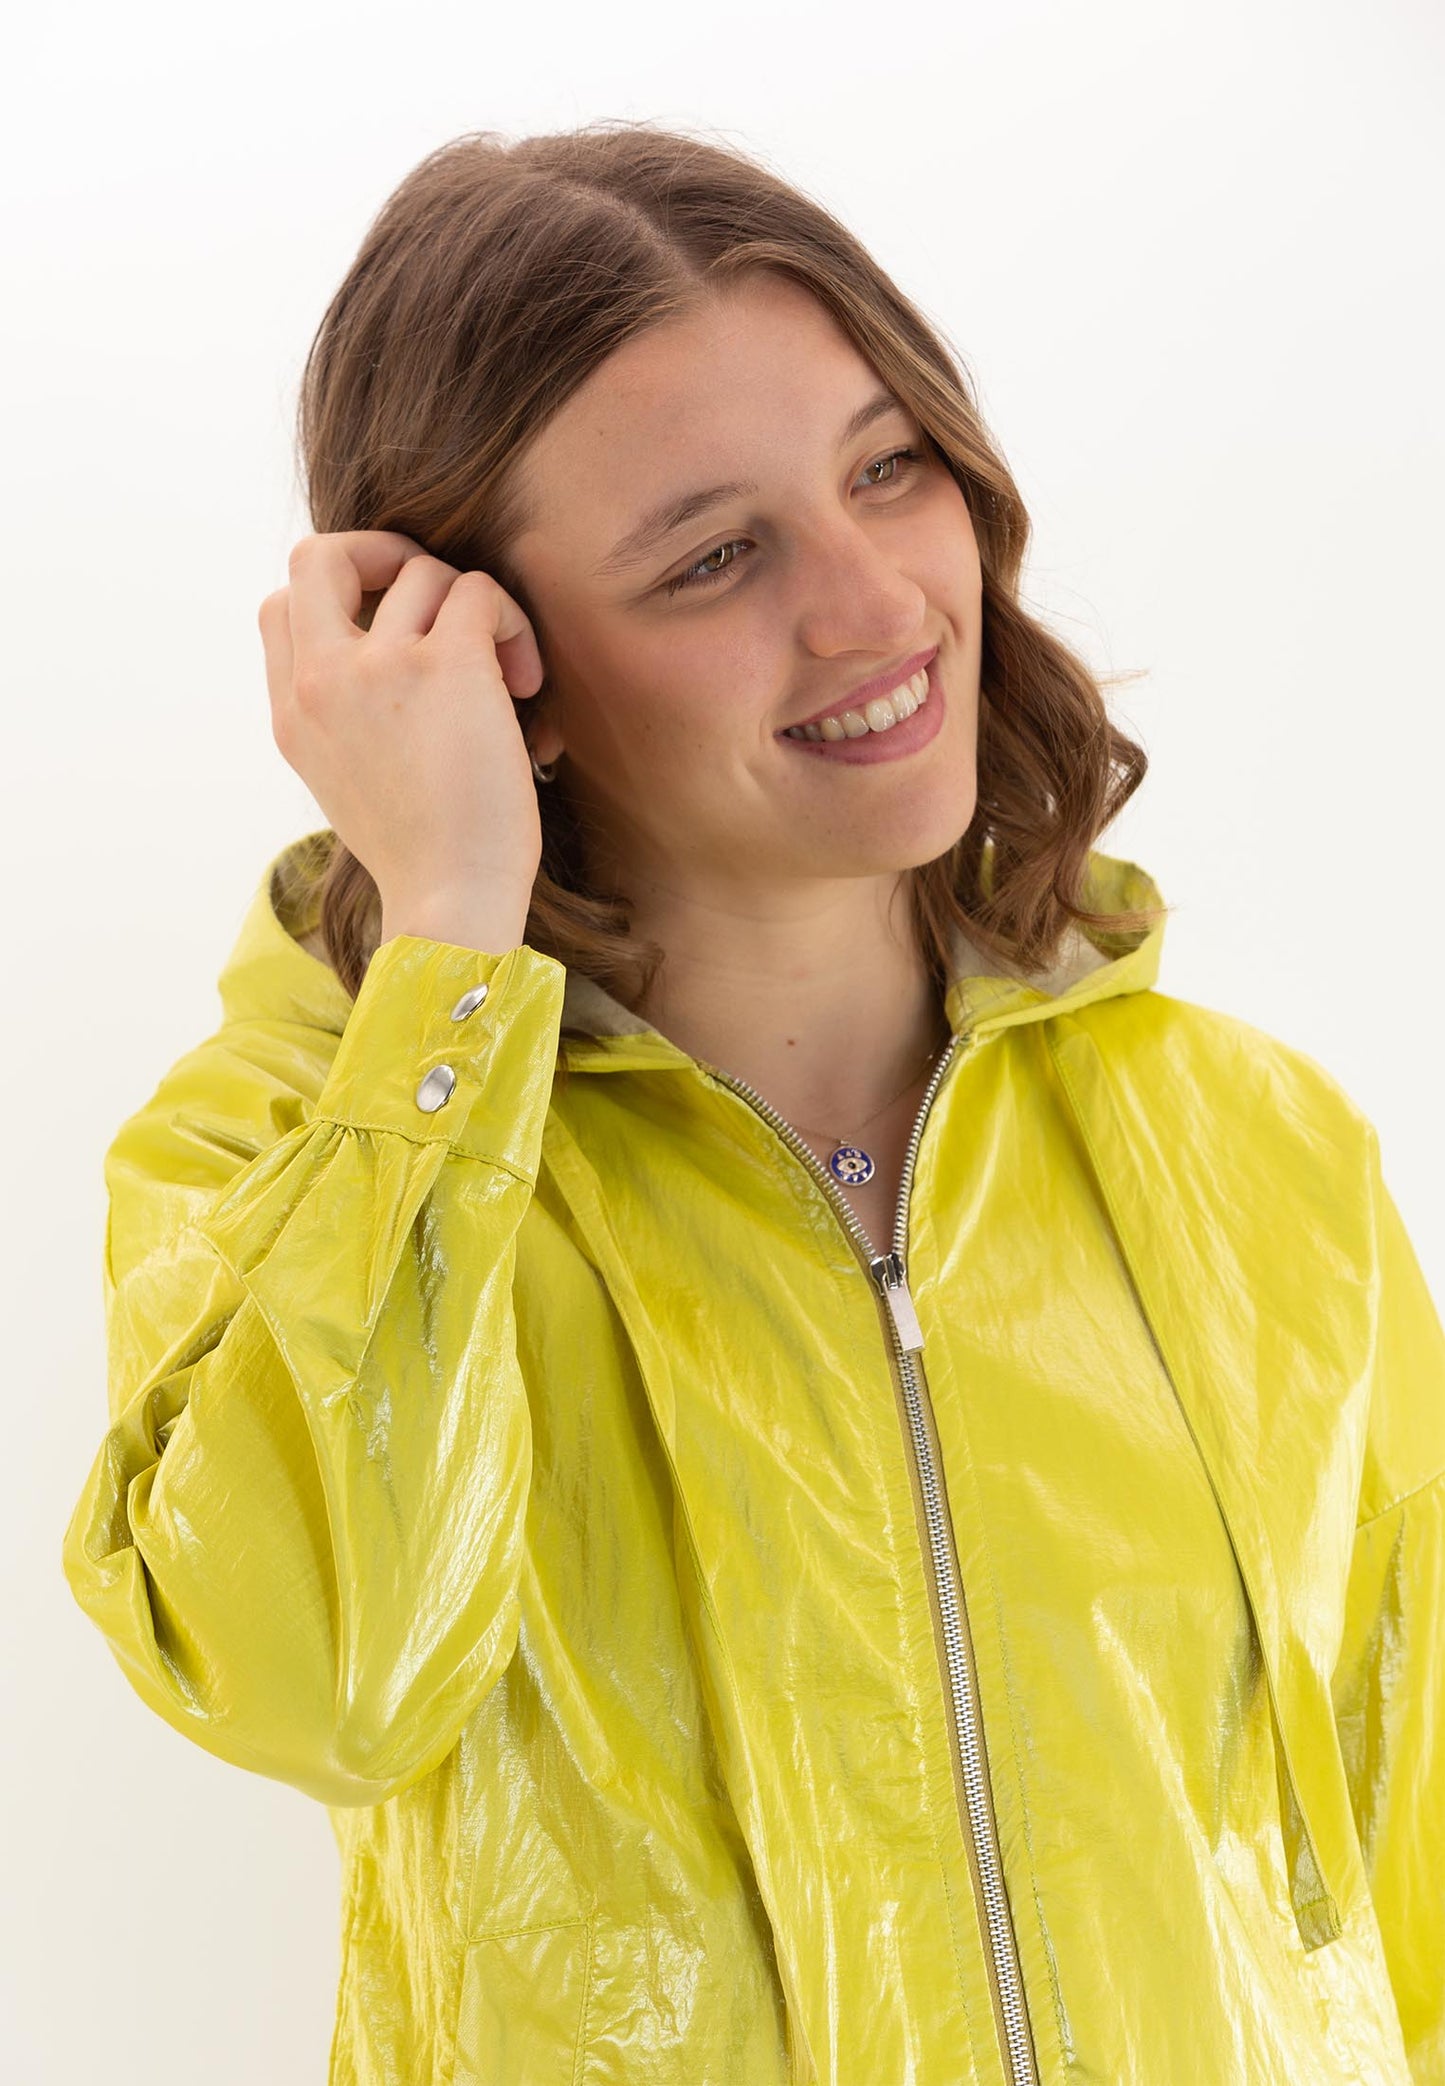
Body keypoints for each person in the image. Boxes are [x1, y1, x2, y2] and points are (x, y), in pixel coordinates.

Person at [61, 123, 1444, 2086]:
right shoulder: (310, 1157)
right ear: (493, 662)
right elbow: (321, 1683)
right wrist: (447, 939)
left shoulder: (1257, 1143)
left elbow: (1417, 1883)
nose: (876, 601)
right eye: (715, 554)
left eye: (888, 467)